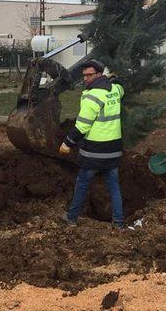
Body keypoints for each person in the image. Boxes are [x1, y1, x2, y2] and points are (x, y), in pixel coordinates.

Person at [59, 60, 126, 229]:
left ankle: (72, 218)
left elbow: (82, 125)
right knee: (113, 186)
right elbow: (120, 87)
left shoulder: (91, 96)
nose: (85, 79)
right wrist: (112, 79)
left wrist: (67, 142)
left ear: (98, 74)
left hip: (94, 151)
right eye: (84, 75)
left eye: (89, 75)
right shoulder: (115, 91)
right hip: (114, 150)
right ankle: (118, 223)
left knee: (82, 183)